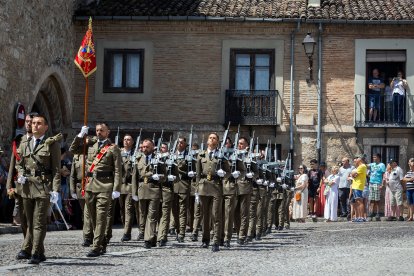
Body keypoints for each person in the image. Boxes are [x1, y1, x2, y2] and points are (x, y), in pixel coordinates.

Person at [15, 114, 61, 264]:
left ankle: (35, 253)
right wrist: (21, 174)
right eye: (33, 123)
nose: (35, 125)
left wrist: (55, 190)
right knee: (29, 222)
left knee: (39, 222)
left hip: (43, 187)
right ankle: (40, 252)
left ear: (46, 127)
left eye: (39, 123)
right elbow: (19, 163)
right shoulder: (25, 142)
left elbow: (56, 169)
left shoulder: (52, 145)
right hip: (27, 188)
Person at [70, 123, 122, 257]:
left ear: (107, 132)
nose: (99, 132)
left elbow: (117, 170)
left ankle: (96, 246)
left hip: (105, 186)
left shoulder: (113, 148)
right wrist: (80, 136)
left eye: (102, 130)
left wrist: (116, 188)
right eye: (97, 130)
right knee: (92, 217)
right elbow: (73, 149)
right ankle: (102, 241)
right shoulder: (89, 145)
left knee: (101, 216)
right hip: (90, 185)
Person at [6, 112, 37, 236]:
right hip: (21, 184)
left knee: (36, 218)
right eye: (27, 121)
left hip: (38, 184)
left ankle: (34, 245)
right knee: (24, 218)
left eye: (32, 122)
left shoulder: (45, 141)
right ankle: (28, 242)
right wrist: (9, 185)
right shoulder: (18, 141)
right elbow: (13, 165)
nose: (29, 124)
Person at [131, 138, 166, 249]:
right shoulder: (138, 158)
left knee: (152, 215)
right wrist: (134, 192)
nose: (145, 149)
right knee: (142, 214)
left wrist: (158, 177)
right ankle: (151, 236)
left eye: (147, 147)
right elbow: (134, 177)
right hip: (141, 189)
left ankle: (148, 239)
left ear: (153, 147)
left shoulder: (159, 158)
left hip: (154, 189)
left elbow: (165, 176)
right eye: (143, 147)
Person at [196, 132, 227, 252]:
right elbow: (198, 174)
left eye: (214, 138)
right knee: (205, 216)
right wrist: (197, 191)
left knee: (216, 216)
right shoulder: (201, 155)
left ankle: (216, 241)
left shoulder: (221, 156)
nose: (212, 139)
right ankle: (205, 240)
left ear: (217, 142)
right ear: (207, 141)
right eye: (210, 138)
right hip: (203, 187)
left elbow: (228, 171)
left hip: (216, 187)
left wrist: (223, 174)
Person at [119, 134, 140, 242]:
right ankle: (126, 228)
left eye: (128, 140)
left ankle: (127, 233)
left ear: (132, 142)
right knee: (122, 211)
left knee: (128, 210)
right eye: (125, 139)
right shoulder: (118, 153)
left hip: (131, 185)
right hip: (120, 186)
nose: (126, 141)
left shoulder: (136, 154)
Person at [171, 137, 192, 243]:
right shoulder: (172, 155)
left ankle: (182, 233)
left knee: (182, 211)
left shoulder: (188, 156)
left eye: (181, 142)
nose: (179, 144)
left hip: (183, 185)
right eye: (178, 142)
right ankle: (178, 229)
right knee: (174, 211)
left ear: (185, 144)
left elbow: (191, 170)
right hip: (173, 185)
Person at [367, 153, 386, 221]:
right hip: (371, 183)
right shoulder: (372, 164)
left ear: (378, 157)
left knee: (377, 199)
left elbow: (384, 175)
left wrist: (382, 184)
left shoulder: (382, 165)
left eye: (374, 157)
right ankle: (371, 212)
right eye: (373, 157)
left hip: (377, 183)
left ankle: (378, 212)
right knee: (371, 198)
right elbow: (365, 166)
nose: (373, 158)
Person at [349, 154, 367, 222]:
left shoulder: (362, 166)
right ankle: (358, 217)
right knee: (357, 202)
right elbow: (353, 175)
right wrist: (353, 174)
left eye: (357, 158)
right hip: (355, 185)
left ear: (360, 159)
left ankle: (362, 217)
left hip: (358, 185)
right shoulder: (360, 166)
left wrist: (352, 174)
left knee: (359, 201)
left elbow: (353, 175)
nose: (356, 160)